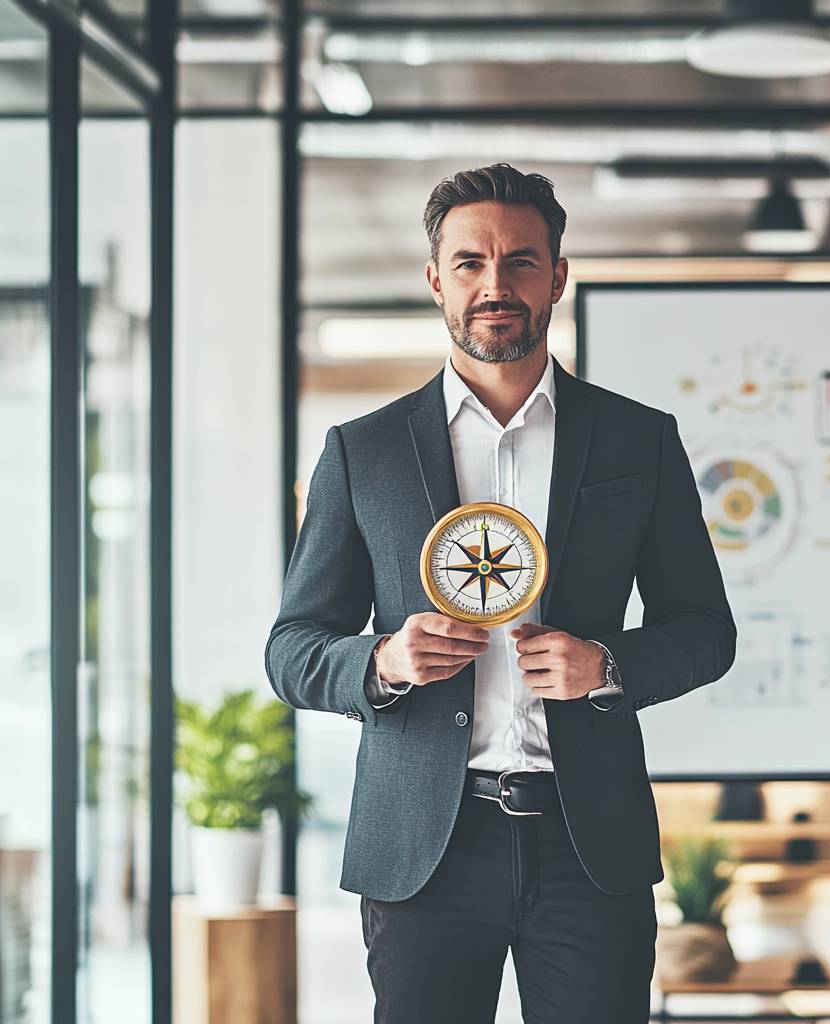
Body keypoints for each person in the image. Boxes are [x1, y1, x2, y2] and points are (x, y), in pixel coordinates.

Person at [264, 162, 737, 1024]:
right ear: (436, 279)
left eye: (521, 262)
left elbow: (708, 630)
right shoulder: (359, 452)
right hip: (423, 850)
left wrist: (608, 663)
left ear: (557, 276)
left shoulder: (638, 441)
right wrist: (383, 660)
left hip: (588, 844)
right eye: (472, 263)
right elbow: (292, 649)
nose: (496, 284)